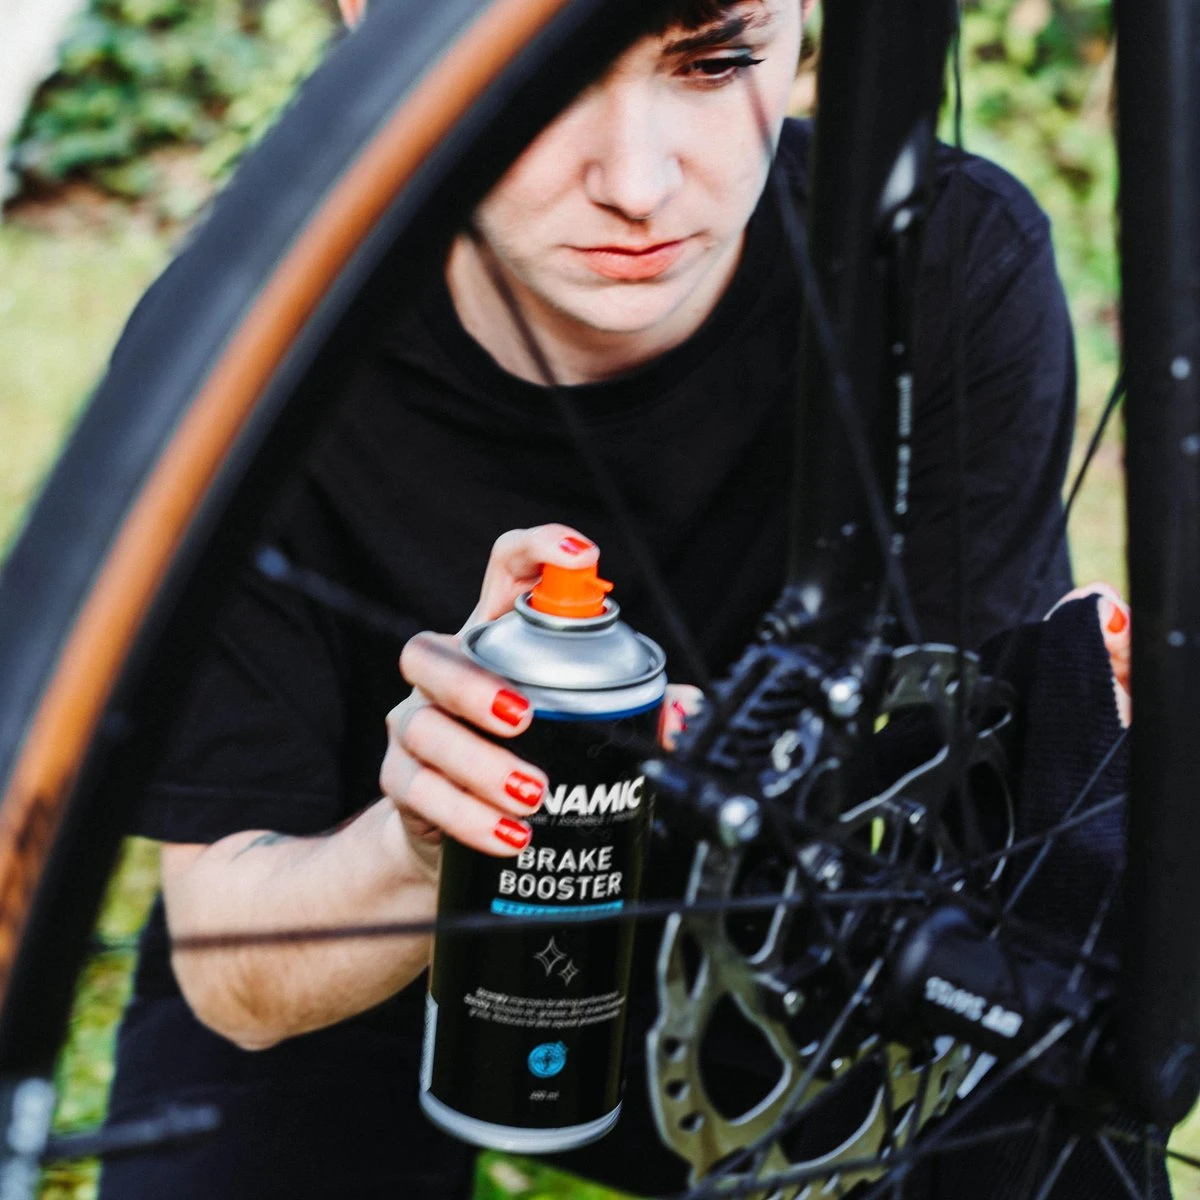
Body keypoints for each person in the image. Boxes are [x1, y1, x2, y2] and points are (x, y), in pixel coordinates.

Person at [98, 0, 1082, 1196]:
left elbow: (986, 834)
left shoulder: (943, 265)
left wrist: (1093, 753)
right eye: (543, 71)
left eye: (717, 61)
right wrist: (418, 847)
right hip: (370, 943)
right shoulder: (239, 342)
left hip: (780, 959)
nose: (639, 184)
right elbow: (235, 980)